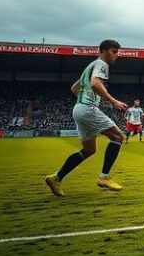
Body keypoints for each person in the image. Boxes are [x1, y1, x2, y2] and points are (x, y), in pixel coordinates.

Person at [44, 39, 128, 196]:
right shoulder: (102, 64)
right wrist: (113, 101)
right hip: (87, 109)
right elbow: (96, 83)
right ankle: (104, 177)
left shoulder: (89, 67)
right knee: (117, 137)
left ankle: (56, 178)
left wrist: (88, 100)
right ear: (103, 51)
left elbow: (75, 88)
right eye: (114, 51)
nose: (116, 55)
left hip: (79, 108)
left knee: (89, 150)